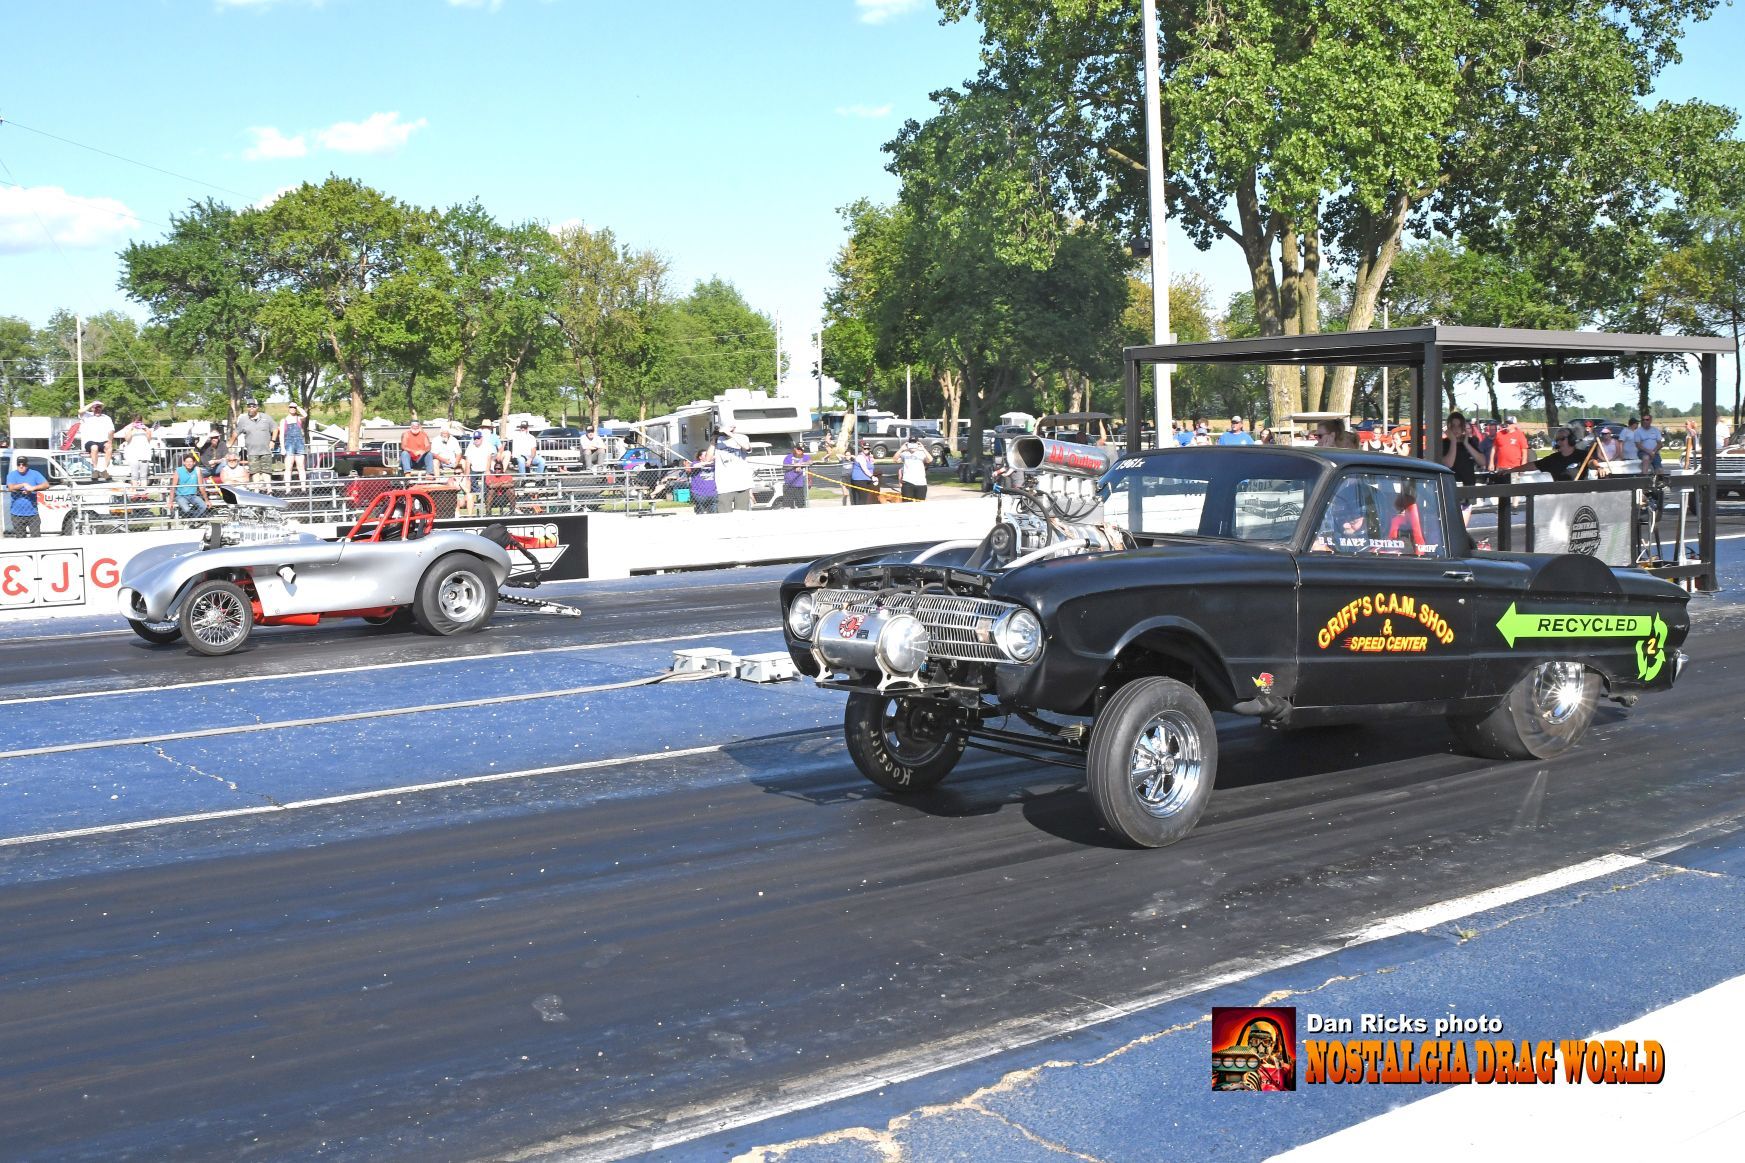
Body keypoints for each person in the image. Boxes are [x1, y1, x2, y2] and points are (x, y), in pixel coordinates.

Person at [711, 424, 754, 513]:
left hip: (742, 483)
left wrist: (730, 434)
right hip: (724, 485)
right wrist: (714, 440)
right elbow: (707, 458)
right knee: (724, 514)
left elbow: (746, 447)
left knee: (741, 513)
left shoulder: (742, 437)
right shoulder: (718, 440)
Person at [5, 454, 49, 537]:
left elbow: (46, 484)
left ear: (27, 465)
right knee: (21, 540)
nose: (21, 466)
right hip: (16, 514)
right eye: (19, 464)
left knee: (36, 538)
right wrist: (23, 484)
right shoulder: (12, 475)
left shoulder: (35, 474)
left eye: (23, 464)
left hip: (33, 513)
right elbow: (11, 488)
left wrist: (33, 488)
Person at [1438, 411, 1484, 487]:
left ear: (1463, 427)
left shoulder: (1471, 441)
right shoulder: (1444, 443)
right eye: (1453, 426)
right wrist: (1453, 441)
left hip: (1469, 487)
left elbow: (1483, 462)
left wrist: (1466, 444)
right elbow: (1448, 464)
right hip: (1450, 486)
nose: (1456, 429)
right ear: (1449, 427)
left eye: (1459, 426)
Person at [236, 399, 275, 479]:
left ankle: (269, 489)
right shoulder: (243, 419)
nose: (251, 408)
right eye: (249, 406)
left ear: (257, 407)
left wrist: (273, 441)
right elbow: (236, 432)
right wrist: (229, 443)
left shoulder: (266, 418)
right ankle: (256, 490)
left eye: (253, 406)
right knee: (254, 472)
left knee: (266, 471)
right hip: (252, 452)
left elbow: (275, 429)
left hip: (266, 450)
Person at [80, 401, 116, 480]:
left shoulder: (106, 417)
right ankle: (95, 470)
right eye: (95, 408)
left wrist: (110, 440)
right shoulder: (87, 415)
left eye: (99, 408)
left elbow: (111, 430)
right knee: (94, 447)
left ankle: (104, 469)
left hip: (103, 441)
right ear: (92, 409)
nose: (97, 410)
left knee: (109, 447)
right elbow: (80, 411)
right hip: (90, 441)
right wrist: (92, 404)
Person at [173, 452, 215, 519]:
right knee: (186, 509)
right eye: (187, 462)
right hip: (180, 496)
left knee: (204, 506)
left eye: (191, 461)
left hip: (193, 495)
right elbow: (173, 487)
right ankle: (192, 518)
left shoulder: (197, 470)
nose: (189, 463)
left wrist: (206, 500)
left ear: (194, 462)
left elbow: (201, 486)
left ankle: (193, 520)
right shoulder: (178, 470)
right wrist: (170, 501)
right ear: (184, 462)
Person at [278, 403, 308, 489]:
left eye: (294, 408)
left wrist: (297, 406)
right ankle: (288, 488)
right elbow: (281, 435)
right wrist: (282, 448)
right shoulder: (284, 420)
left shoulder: (299, 418)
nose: (293, 409)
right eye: (291, 407)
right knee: (289, 467)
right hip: (289, 444)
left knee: (301, 466)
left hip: (299, 444)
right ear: (288, 408)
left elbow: (305, 415)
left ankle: (303, 488)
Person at [120, 415, 155, 487]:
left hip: (144, 454)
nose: (138, 423)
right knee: (134, 474)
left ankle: (144, 491)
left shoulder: (146, 429)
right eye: (136, 421)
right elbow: (127, 439)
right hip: (133, 454)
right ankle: (134, 490)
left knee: (144, 475)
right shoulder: (129, 428)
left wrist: (145, 429)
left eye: (139, 421)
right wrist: (132, 428)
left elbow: (149, 439)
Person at [896, 434, 933, 500]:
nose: (913, 445)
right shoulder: (904, 453)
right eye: (911, 442)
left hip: (921, 483)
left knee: (920, 504)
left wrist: (923, 449)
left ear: (918, 443)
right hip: (907, 482)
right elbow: (895, 460)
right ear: (908, 443)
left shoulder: (922, 453)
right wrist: (901, 449)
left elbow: (930, 460)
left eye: (914, 443)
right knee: (907, 504)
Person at [781, 443, 811, 508]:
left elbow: (810, 462)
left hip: (800, 485)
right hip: (789, 484)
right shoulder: (788, 457)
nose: (800, 451)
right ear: (795, 449)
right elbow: (785, 467)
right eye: (799, 449)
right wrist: (794, 466)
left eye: (802, 450)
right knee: (788, 506)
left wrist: (801, 464)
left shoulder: (805, 457)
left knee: (800, 505)